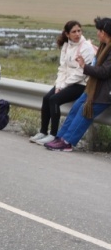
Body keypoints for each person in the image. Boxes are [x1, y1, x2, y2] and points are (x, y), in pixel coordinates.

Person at [45, 17, 111, 152]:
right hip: (92, 89)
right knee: (75, 108)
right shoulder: (104, 47)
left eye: (98, 31)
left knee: (84, 113)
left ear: (103, 32)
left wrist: (83, 66)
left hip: (103, 93)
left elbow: (104, 72)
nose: (97, 33)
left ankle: (68, 142)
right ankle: (60, 137)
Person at [30, 21, 96, 145]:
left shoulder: (86, 47)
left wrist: (63, 85)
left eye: (79, 31)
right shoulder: (66, 46)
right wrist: (59, 84)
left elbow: (81, 72)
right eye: (74, 32)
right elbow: (62, 68)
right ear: (67, 34)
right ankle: (43, 132)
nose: (77, 34)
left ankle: (53, 135)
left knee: (54, 100)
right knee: (46, 98)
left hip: (81, 84)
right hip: (66, 82)